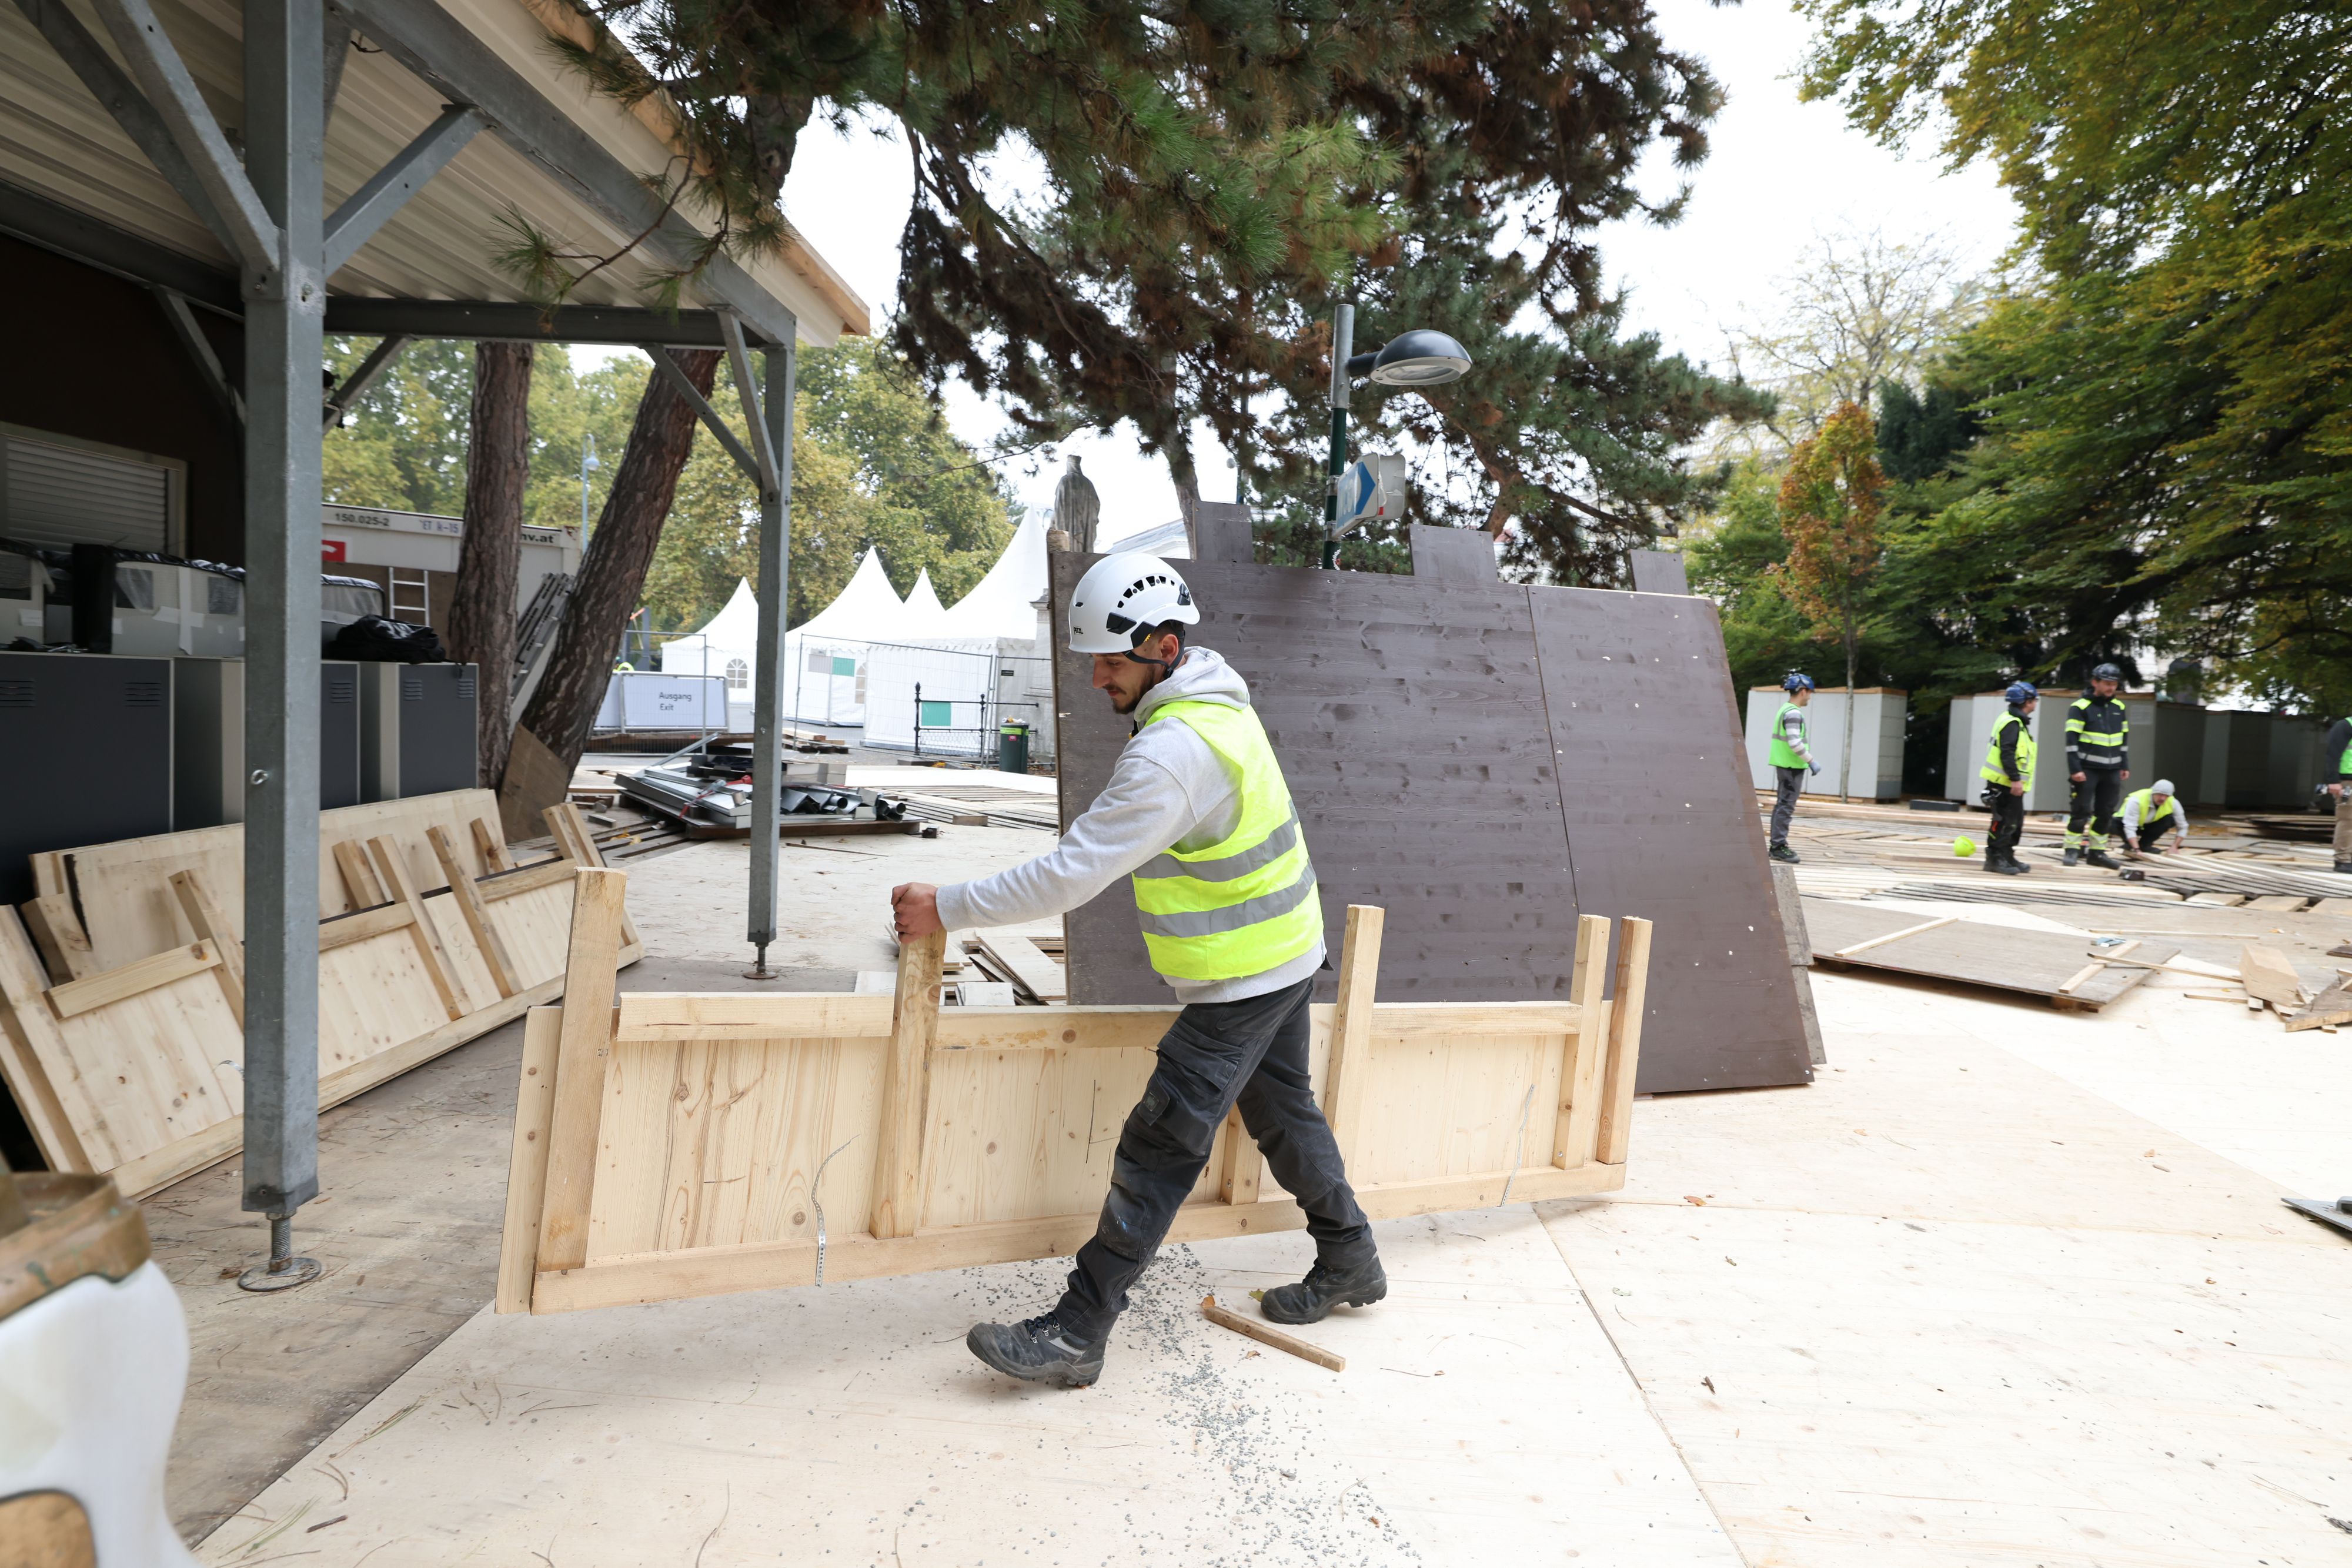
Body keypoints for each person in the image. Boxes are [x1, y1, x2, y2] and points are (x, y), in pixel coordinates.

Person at [888, 552, 1380, 1389]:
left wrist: (950, 904)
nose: (1095, 678)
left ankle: (1078, 1329)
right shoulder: (1217, 703)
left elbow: (1071, 875)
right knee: (1282, 1110)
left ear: (1162, 647)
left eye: (1109, 661)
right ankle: (1350, 1257)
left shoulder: (1173, 754)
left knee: (1160, 1142)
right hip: (1285, 950)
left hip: (1244, 974)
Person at [2063, 663, 2129, 869]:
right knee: (2081, 810)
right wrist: (2075, 769)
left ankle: (2097, 853)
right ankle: (2072, 850)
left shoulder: (2119, 708)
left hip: (2112, 770)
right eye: (2107, 684)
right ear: (2095, 682)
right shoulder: (2080, 707)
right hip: (2087, 769)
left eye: (2114, 684)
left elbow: (2124, 739)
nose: (2111, 688)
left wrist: (2124, 765)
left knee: (2106, 812)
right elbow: (2071, 743)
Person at [1980, 681, 2039, 875]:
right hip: (2004, 783)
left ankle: (2007, 855)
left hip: (2009, 783)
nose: (2035, 703)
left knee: (2015, 822)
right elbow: (2007, 753)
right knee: (2003, 821)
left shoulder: (2016, 722)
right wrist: (2015, 779)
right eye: (2034, 700)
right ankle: (1994, 858)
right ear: (2027, 702)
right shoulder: (2012, 723)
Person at [1766, 673, 1822, 864]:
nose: (1810, 697)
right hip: (1791, 767)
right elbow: (1795, 743)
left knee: (1782, 805)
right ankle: (1778, 847)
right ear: (1803, 691)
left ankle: (1776, 845)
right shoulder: (1794, 713)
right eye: (1810, 692)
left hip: (1786, 765)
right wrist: (1811, 761)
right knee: (1786, 806)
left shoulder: (1785, 709)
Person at [2120, 780, 2188, 857]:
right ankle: (2130, 844)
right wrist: (2137, 850)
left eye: (2166, 796)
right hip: (2125, 824)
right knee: (2113, 824)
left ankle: (2144, 845)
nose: (2163, 798)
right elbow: (2130, 827)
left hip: (2149, 826)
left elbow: (2183, 827)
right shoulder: (2137, 800)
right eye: (2160, 795)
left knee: (2169, 820)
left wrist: (2175, 847)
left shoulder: (2173, 802)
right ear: (2153, 793)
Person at [2324, 715, 2352, 874]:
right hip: (2347, 782)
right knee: (2348, 819)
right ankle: (2343, 860)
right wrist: (2333, 781)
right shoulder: (2346, 726)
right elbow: (2332, 754)